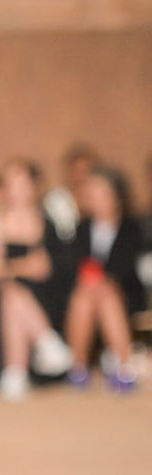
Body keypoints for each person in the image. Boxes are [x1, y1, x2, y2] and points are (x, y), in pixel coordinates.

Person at [0, 158, 73, 400]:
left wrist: (5, 269)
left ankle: (16, 373)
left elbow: (44, 269)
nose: (15, 190)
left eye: (21, 183)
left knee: (13, 294)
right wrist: (20, 267)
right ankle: (46, 342)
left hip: (40, 297)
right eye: (10, 183)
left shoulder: (46, 221)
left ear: (35, 186)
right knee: (11, 294)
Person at [64, 165, 144, 390]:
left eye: (102, 194)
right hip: (87, 291)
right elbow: (74, 265)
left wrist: (103, 281)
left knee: (107, 296)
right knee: (83, 297)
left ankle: (123, 366)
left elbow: (126, 267)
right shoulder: (81, 229)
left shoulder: (132, 228)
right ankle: (79, 367)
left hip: (124, 294)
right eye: (93, 195)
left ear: (116, 196)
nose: (96, 201)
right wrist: (93, 281)